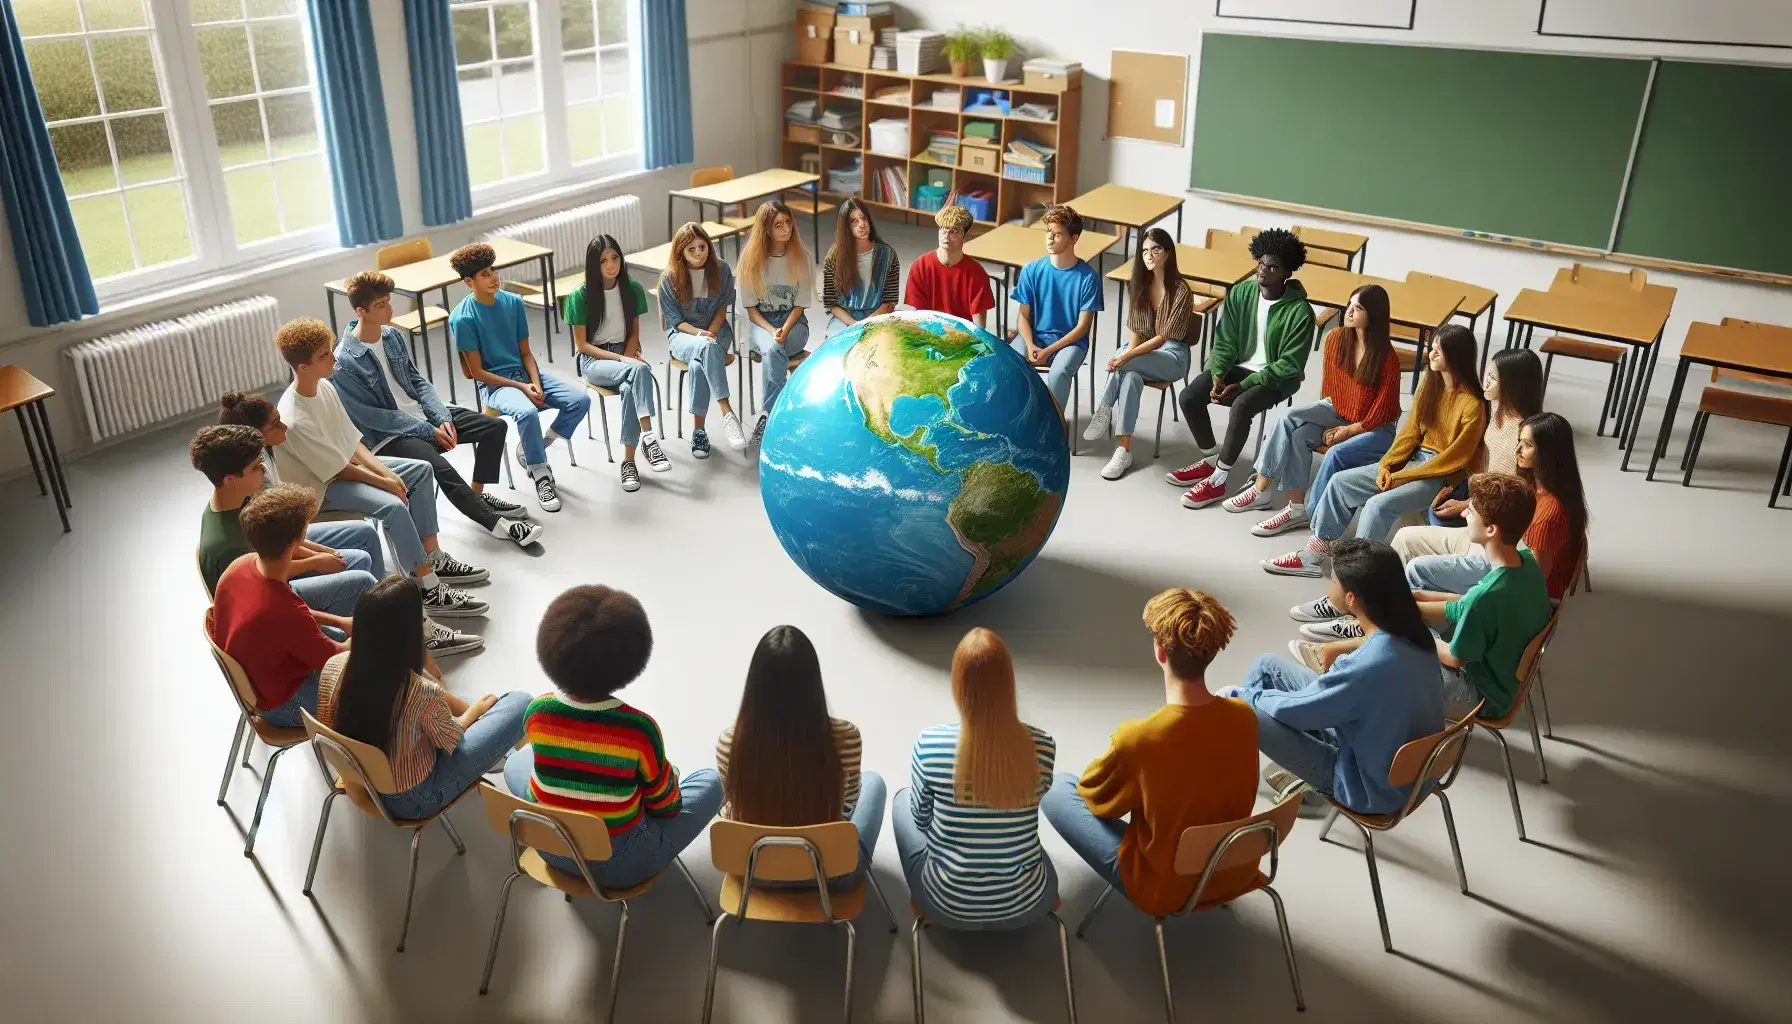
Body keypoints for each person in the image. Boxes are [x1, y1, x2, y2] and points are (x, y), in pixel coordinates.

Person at [1041, 589, 1259, 917]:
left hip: (1167, 889)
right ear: (1213, 649)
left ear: (1159, 650)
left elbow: (1095, 799)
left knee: (1059, 787)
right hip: (1234, 870)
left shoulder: (1139, 738)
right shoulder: (1244, 715)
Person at [504, 585, 723, 888]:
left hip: (549, 847)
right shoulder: (638, 729)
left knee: (517, 764)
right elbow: (667, 808)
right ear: (629, 661)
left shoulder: (537, 712)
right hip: (617, 866)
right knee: (711, 782)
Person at [273, 317, 489, 618]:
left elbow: (353, 443)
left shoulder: (324, 387)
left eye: (330, 350)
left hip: (341, 467)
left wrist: (388, 473)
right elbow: (340, 470)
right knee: (393, 505)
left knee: (421, 470)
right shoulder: (295, 418)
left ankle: (433, 556)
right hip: (319, 489)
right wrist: (388, 483)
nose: (334, 358)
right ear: (302, 367)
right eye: (324, 355)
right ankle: (428, 585)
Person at [1222, 539, 1443, 816]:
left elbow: (1297, 712)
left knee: (1232, 699)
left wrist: (1252, 699)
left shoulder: (1367, 664)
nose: (1329, 587)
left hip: (1365, 786)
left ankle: (1261, 766)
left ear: (1351, 598)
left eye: (1334, 581)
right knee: (1267, 666)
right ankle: (1271, 756)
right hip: (1406, 768)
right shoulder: (1414, 634)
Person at [331, 270, 541, 545]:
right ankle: (500, 525)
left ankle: (476, 496)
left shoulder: (392, 336)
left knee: (494, 427)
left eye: (389, 301)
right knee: (438, 467)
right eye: (381, 305)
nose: (390, 309)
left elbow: (417, 380)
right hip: (390, 437)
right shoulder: (345, 361)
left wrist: (440, 417)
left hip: (424, 418)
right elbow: (373, 417)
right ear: (362, 311)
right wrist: (428, 430)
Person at [1263, 324, 1486, 577]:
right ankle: (1312, 556)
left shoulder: (1473, 405)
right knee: (1339, 482)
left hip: (1438, 477)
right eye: (1432, 347)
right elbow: (1409, 432)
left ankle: (1353, 579)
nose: (1431, 353)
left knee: (1377, 506)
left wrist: (1400, 476)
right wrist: (1387, 465)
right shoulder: (1429, 385)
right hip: (1411, 461)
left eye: (1439, 349)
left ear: (1457, 355)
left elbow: (1453, 459)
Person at [316, 576, 530, 820]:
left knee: (461, 704)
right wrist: (476, 711)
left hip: (361, 777)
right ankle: (512, 758)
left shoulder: (333, 666)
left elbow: (327, 726)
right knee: (519, 703)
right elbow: (453, 737)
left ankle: (503, 752)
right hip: (415, 799)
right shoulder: (421, 693)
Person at [895, 627, 1057, 924]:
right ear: (1009, 682)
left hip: (946, 902)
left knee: (902, 801)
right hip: (1026, 904)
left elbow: (920, 820)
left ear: (958, 684)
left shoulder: (929, 744)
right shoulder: (1043, 745)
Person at [715, 625, 880, 887]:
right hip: (827, 874)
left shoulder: (729, 743)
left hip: (752, 873)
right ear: (813, 683)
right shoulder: (846, 737)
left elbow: (731, 809)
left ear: (754, 684)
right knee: (875, 783)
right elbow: (847, 807)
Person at [1228, 284, 1402, 533]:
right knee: (1290, 421)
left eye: (1359, 308)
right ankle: (1273, 497)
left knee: (1316, 443)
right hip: (1337, 411)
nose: (1350, 312)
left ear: (1373, 315)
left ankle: (1299, 509)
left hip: (1374, 428)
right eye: (1350, 304)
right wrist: (1331, 422)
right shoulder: (1335, 339)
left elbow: (1384, 412)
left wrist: (1347, 431)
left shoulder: (1387, 359)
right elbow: (1332, 392)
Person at [1168, 228, 1317, 508]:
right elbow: (1224, 342)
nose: (1263, 271)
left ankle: (1219, 480)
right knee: (1189, 397)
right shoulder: (1241, 293)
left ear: (1287, 273)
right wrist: (1217, 374)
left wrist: (1246, 384)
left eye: (1273, 267)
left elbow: (1290, 364)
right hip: (1240, 367)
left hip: (1275, 378)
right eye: (1261, 263)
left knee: (1242, 406)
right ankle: (1212, 458)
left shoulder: (1300, 312)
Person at [450, 242, 591, 513]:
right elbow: (477, 373)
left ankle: (534, 450)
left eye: (493, 270)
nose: (493, 278)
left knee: (580, 400)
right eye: (484, 274)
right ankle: (540, 473)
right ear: (469, 281)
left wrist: (535, 383)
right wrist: (522, 387)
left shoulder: (513, 303)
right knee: (527, 412)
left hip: (525, 375)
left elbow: (526, 353)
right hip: (495, 384)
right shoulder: (463, 318)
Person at [1396, 412, 1587, 601]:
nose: (1518, 449)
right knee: (1404, 537)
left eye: (1527, 445)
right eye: (1519, 441)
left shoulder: (1549, 515)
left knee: (1416, 568)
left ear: (1549, 453)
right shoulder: (1535, 484)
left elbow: (1532, 581)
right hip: (1496, 544)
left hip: (1501, 566)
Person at [1409, 473, 1553, 718]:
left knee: (1396, 656)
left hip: (1482, 695)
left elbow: (1455, 659)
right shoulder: (1527, 562)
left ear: (1491, 530)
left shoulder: (1485, 598)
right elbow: (1466, 605)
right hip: (1505, 679)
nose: (1464, 514)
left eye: (1472, 511)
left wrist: (1418, 633)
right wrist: (1415, 600)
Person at [208, 484, 347, 728]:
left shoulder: (240, 566)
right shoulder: (280, 610)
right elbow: (332, 659)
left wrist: (337, 621)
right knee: (372, 686)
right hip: (284, 701)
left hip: (259, 676)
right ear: (299, 539)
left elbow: (292, 619)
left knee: (345, 637)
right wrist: (370, 630)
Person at [1082, 228, 1194, 481]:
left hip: (1172, 357)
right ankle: (1124, 450)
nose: (1149, 255)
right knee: (1130, 374)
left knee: (1126, 360)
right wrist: (1127, 355)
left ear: (1168, 253)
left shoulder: (1181, 290)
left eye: (1156, 249)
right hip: (1144, 355)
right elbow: (1137, 333)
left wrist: (1125, 356)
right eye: (1144, 250)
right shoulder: (1139, 285)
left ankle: (1104, 409)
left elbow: (1162, 338)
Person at [568, 234, 669, 491]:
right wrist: (624, 359)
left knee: (628, 388)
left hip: (623, 355)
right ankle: (649, 437)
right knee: (640, 369)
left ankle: (628, 462)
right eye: (603, 261)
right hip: (594, 360)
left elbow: (634, 333)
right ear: (594, 265)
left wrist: (628, 354)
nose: (611, 265)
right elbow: (582, 346)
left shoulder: (631, 289)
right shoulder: (580, 296)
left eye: (615, 258)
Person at [1425, 349, 1544, 528]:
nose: (1486, 381)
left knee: (1438, 521)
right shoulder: (1497, 412)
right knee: (1435, 511)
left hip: (1499, 507)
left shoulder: (1525, 434)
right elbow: (1485, 467)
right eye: (1487, 374)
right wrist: (1457, 487)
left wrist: (1464, 505)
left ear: (1513, 385)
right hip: (1481, 489)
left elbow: (1510, 495)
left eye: (1493, 378)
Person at [660, 221, 746, 457]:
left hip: (716, 330)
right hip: (683, 336)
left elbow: (721, 311)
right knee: (705, 348)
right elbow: (676, 322)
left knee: (699, 364)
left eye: (702, 247)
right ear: (681, 253)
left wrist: (710, 332)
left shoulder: (721, 270)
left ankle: (699, 432)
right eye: (691, 249)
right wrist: (699, 335)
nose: (699, 253)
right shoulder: (669, 279)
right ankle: (727, 411)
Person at [737, 202, 815, 447]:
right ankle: (777, 415)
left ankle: (766, 416)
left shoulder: (801, 256)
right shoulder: (750, 260)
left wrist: (785, 329)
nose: (786, 229)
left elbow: (800, 304)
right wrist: (772, 331)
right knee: (773, 350)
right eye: (778, 224)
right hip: (762, 324)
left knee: (774, 351)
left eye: (788, 222)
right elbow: (751, 311)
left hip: (795, 324)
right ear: (767, 230)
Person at [1011, 204, 1102, 413]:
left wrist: (1049, 351)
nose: (1050, 239)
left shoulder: (1088, 277)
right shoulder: (1031, 270)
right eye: (1048, 232)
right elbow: (1023, 317)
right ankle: (1020, 421)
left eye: (1058, 235)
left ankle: (1055, 427)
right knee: (1012, 365)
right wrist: (1031, 344)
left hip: (1071, 343)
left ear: (1074, 238)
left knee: (1059, 373)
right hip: (1034, 337)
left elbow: (1082, 327)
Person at [903, 202, 995, 329]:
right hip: (927, 332)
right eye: (943, 229)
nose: (946, 236)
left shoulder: (977, 274)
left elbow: (978, 328)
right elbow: (917, 317)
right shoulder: (920, 267)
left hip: (962, 338)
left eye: (954, 231)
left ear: (965, 236)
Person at [822, 198, 899, 336]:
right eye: (854, 222)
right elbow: (831, 303)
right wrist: (854, 325)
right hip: (845, 318)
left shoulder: (888, 255)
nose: (862, 225)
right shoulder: (834, 256)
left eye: (863, 218)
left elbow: (890, 302)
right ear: (846, 228)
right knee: (839, 346)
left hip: (878, 316)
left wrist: (866, 324)